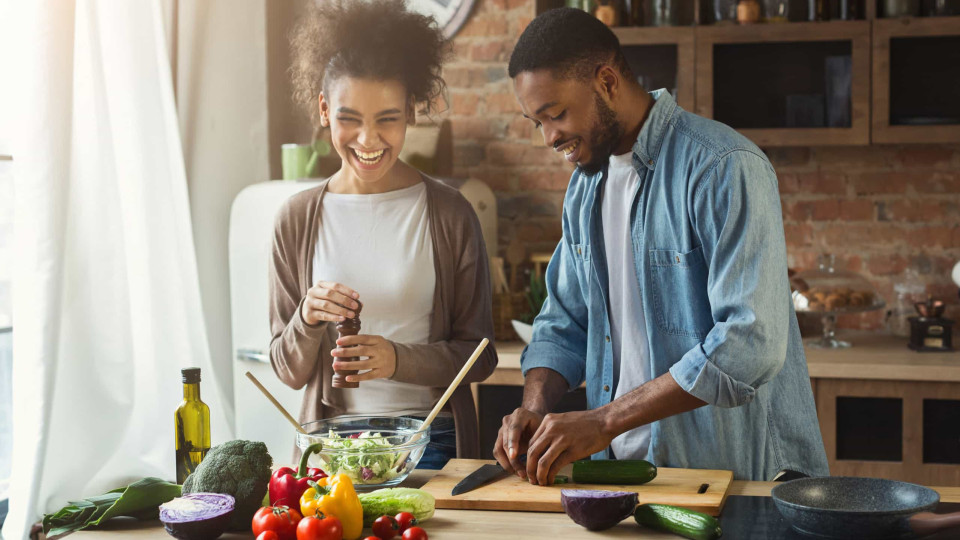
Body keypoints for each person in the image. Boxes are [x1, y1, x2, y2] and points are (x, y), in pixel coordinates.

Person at [493, 7, 829, 483]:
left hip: (732, 478)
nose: (550, 137)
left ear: (607, 81)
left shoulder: (723, 166)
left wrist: (604, 421)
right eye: (536, 122)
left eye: (558, 114)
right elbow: (563, 321)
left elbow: (750, 342)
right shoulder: (585, 187)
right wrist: (533, 407)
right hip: (621, 475)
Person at [269, 0, 497, 468]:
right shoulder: (295, 219)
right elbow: (286, 370)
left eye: (387, 119)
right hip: (331, 447)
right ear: (324, 110)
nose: (368, 140)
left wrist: (398, 360)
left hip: (429, 442)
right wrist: (307, 321)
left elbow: (482, 356)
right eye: (350, 118)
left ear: (411, 112)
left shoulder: (450, 214)